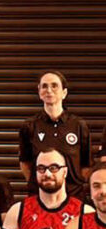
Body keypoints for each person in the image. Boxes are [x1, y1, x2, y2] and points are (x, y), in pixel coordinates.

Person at [19, 71, 91, 199]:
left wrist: (73, 185)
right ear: (39, 92)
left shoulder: (79, 125)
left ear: (64, 92)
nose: (49, 90)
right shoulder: (29, 126)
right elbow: (25, 163)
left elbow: (86, 165)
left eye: (54, 85)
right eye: (44, 86)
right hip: (39, 197)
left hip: (74, 196)